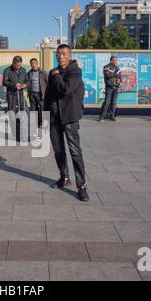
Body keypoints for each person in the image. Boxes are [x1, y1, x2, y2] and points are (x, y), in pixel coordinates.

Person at [44, 44, 89, 202]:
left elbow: (66, 89)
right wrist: (44, 116)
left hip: (69, 116)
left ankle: (81, 185)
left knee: (75, 151)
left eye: (63, 54)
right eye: (58, 54)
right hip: (54, 117)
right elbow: (48, 95)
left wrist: (57, 76)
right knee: (58, 151)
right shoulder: (52, 72)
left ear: (70, 55)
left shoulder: (75, 71)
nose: (60, 56)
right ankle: (64, 177)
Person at [26, 58, 48, 128]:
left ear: (37, 63)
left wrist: (47, 93)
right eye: (31, 64)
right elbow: (27, 82)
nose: (33, 65)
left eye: (34, 63)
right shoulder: (29, 73)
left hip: (40, 94)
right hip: (32, 94)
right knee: (33, 110)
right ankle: (36, 123)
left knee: (42, 109)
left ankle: (43, 123)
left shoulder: (43, 72)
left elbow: (48, 83)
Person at [99, 56, 122, 122]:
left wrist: (119, 80)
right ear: (111, 60)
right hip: (109, 88)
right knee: (107, 102)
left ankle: (112, 116)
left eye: (116, 61)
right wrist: (115, 74)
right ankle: (102, 116)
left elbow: (119, 76)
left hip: (116, 88)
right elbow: (108, 75)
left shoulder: (117, 68)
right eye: (114, 60)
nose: (116, 62)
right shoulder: (106, 67)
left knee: (113, 103)